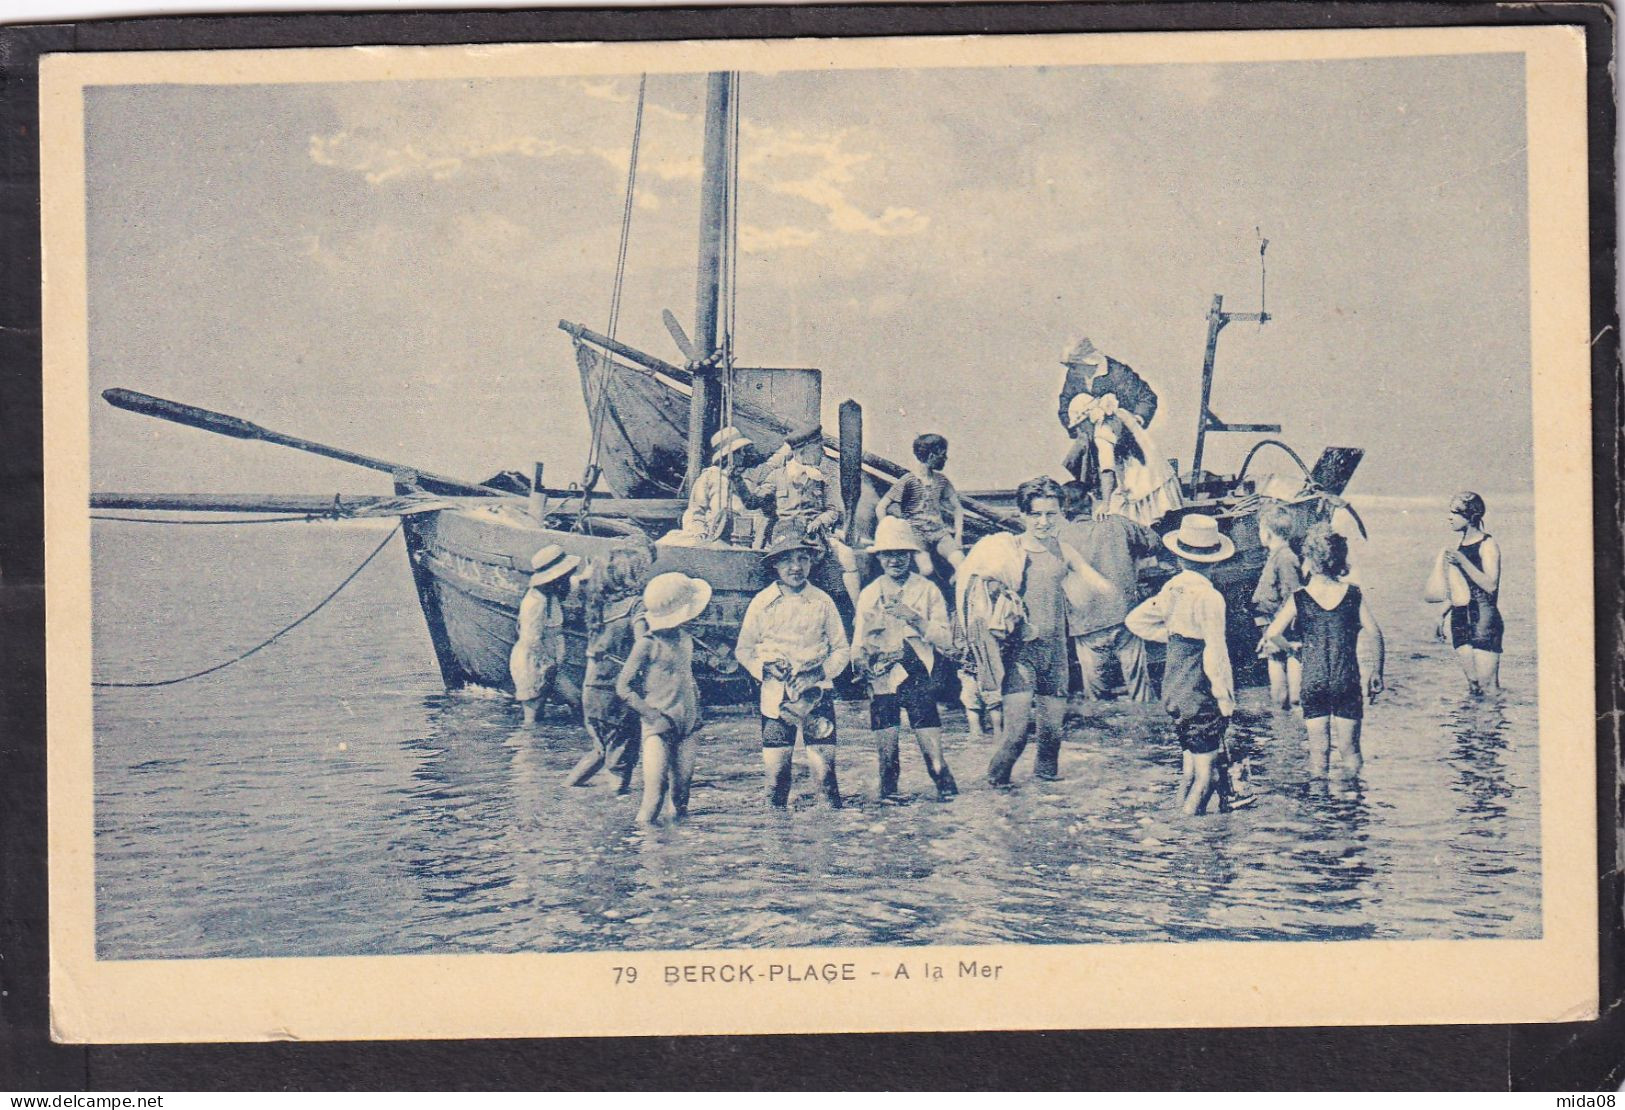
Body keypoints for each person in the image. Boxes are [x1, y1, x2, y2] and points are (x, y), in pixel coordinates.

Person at [966, 476, 1110, 787]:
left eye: (1050, 514)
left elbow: (1093, 579)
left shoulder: (1063, 550)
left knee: (1051, 740)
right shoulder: (1011, 552)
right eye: (1036, 514)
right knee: (1016, 736)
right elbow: (983, 592)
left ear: (1061, 513)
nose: (1043, 522)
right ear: (1023, 515)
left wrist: (1110, 593)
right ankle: (993, 797)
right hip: (1021, 654)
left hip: (1056, 654)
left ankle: (1046, 815)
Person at [1124, 514, 1241, 816]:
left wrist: (1174, 639)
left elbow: (1134, 621)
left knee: (1190, 768)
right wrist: (1225, 699)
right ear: (1214, 561)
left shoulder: (1172, 588)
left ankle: (1176, 818)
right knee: (1206, 775)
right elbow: (1216, 654)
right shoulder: (1209, 596)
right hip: (1199, 691)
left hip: (1174, 689)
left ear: (1178, 558)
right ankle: (1188, 832)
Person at [735, 528, 852, 808]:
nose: (796, 567)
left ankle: (829, 845)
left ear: (812, 563)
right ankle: (777, 845)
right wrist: (764, 668)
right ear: (775, 564)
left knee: (825, 778)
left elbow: (842, 649)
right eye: (787, 560)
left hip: (817, 696)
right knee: (776, 781)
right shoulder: (762, 602)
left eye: (803, 559)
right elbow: (743, 649)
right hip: (775, 700)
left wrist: (818, 673)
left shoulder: (823, 601)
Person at [1261, 523, 1385, 779]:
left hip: (1314, 680)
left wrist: (1292, 648)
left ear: (1310, 560)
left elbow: (1273, 633)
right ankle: (1352, 808)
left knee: (1318, 755)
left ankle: (1320, 809)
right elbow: (1375, 633)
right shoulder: (1352, 594)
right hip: (1346, 679)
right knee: (1351, 752)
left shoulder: (1300, 597)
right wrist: (1377, 672)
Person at [852, 517, 959, 801]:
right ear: (880, 557)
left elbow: (946, 641)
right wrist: (861, 664)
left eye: (901, 553)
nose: (895, 560)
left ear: (910, 555)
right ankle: (890, 834)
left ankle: (951, 816)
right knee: (887, 766)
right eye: (888, 554)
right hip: (882, 681)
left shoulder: (927, 590)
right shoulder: (870, 593)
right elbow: (857, 642)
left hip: (919, 679)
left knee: (936, 764)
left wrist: (913, 617)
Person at [616, 572, 710, 825]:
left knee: (681, 797)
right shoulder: (647, 643)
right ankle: (646, 852)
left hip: (689, 722)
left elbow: (684, 675)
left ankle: (676, 850)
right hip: (659, 723)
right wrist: (649, 713)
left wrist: (696, 703)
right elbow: (623, 687)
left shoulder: (685, 638)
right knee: (654, 796)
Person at [1057, 480, 1158, 702]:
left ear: (1063, 510)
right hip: (1124, 617)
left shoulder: (1059, 537)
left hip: (1086, 625)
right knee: (1139, 688)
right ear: (1092, 500)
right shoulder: (1116, 523)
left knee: (1095, 695)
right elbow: (1153, 541)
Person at [566, 543, 654, 792]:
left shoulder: (599, 607)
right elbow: (643, 647)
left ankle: (566, 790)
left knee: (601, 749)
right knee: (621, 763)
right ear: (633, 577)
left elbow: (592, 659)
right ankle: (614, 819)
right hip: (618, 694)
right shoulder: (636, 606)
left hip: (591, 692)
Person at [757, 422, 862, 612]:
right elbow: (756, 500)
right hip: (786, 535)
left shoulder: (820, 479)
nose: (822, 454)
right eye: (818, 449)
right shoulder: (777, 476)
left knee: (847, 556)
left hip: (815, 535)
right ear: (804, 451)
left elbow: (833, 511)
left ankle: (859, 613)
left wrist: (819, 520)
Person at [1056, 336, 1158, 505]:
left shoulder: (1117, 373)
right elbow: (1065, 401)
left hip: (1117, 433)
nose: (1070, 370)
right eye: (1069, 366)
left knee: (1122, 477)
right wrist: (1074, 425)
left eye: (1074, 366)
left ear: (1088, 361)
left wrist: (1135, 420)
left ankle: (1111, 504)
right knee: (1079, 462)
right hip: (1089, 432)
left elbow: (1147, 397)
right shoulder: (1075, 374)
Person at [1424, 491, 1503, 694]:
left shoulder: (1488, 544)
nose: (1449, 517)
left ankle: (1494, 725)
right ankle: (1469, 726)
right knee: (1474, 686)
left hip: (1484, 619)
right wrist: (1441, 614)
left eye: (1454, 512)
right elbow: (1460, 588)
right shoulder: (1460, 546)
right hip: (1460, 619)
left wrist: (1462, 561)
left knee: (1488, 688)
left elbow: (1491, 585)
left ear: (1470, 516)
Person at [510, 544, 583, 725]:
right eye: (566, 576)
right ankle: (529, 747)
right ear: (555, 578)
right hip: (532, 662)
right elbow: (531, 640)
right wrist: (547, 664)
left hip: (550, 662)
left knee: (575, 700)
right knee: (533, 715)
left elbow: (574, 583)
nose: (568, 579)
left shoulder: (551, 594)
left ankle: (547, 745)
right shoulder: (535, 602)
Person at [659, 424, 764, 548]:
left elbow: (751, 507)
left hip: (739, 539)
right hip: (713, 538)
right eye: (740, 452)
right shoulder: (709, 477)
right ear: (729, 454)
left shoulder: (741, 479)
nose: (743, 455)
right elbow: (696, 511)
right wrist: (699, 532)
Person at [873, 432, 965, 574]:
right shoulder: (908, 480)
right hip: (916, 534)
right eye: (943, 454)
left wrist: (958, 536)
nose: (945, 458)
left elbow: (957, 508)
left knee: (961, 563)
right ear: (931, 455)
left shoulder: (941, 481)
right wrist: (889, 533)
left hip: (939, 533)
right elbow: (881, 507)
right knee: (926, 569)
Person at [1251, 503, 1305, 710]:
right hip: (1274, 627)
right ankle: (1285, 730)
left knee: (1292, 693)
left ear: (1267, 532)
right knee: (1279, 690)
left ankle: (1291, 727)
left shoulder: (1285, 557)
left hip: (1284, 630)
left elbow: (1293, 597)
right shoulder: (1278, 555)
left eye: (1260, 530)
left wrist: (1277, 632)